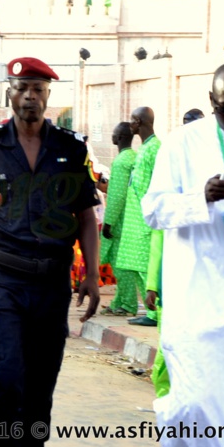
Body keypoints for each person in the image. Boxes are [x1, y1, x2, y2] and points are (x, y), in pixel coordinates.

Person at [0, 57, 100, 447]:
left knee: (39, 388)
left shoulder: (71, 149)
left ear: (48, 96)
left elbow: (85, 216)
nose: (30, 96)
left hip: (51, 285)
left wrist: (93, 275)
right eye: (22, 88)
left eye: (38, 89)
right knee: (5, 379)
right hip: (1, 281)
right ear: (9, 93)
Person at [141, 61, 224, 447]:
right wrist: (201, 197)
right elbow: (153, 210)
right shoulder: (182, 144)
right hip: (195, 300)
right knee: (193, 402)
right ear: (211, 100)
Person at [115, 107, 160, 327]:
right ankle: (150, 313)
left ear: (138, 122)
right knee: (136, 266)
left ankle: (154, 314)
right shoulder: (144, 148)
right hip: (136, 217)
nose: (130, 125)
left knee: (145, 267)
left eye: (132, 121)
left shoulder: (155, 148)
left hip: (146, 218)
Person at [100, 122, 138, 316]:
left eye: (114, 133)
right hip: (131, 216)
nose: (112, 136)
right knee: (125, 261)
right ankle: (119, 301)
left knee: (121, 263)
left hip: (120, 220)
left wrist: (109, 222)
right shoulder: (133, 156)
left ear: (120, 137)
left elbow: (116, 195)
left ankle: (128, 303)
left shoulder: (122, 161)